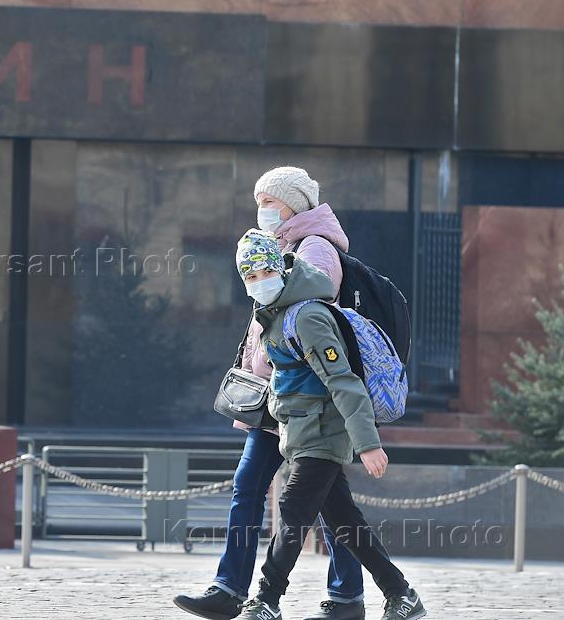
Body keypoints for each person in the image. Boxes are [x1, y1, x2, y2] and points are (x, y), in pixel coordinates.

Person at [175, 167, 365, 620]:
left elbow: (310, 317)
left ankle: (339, 596)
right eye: (259, 201)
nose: (262, 210)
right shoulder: (281, 246)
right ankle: (235, 588)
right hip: (276, 397)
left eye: (269, 202)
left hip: (304, 399)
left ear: (293, 204)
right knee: (281, 491)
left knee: (319, 500)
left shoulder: (316, 248)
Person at [233, 230, 427, 620]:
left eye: (265, 271)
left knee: (292, 511)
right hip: (302, 434)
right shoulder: (276, 316)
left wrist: (367, 443)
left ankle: (266, 599)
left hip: (324, 433)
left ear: (281, 270)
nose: (259, 282)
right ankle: (402, 595)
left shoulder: (308, 316)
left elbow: (344, 382)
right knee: (345, 522)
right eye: (250, 276)